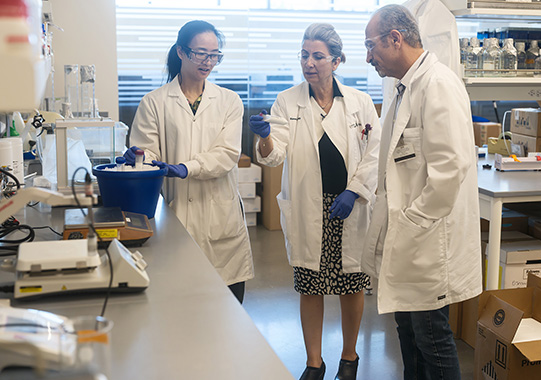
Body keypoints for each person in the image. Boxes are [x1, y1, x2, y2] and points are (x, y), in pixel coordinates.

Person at [249, 23, 380, 380]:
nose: (309, 62)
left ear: (336, 61)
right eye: (304, 55)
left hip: (349, 206)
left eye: (318, 56)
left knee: (351, 282)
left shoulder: (359, 102)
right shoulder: (288, 101)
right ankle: (313, 362)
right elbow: (275, 157)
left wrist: (354, 192)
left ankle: (349, 359)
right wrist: (265, 139)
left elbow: (375, 153)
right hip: (310, 207)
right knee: (311, 284)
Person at [361, 5, 482, 380]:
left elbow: (450, 169)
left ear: (395, 39)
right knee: (408, 333)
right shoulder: (404, 88)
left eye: (371, 46)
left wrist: (413, 221)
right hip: (408, 239)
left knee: (431, 338)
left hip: (428, 240)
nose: (367, 57)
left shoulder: (438, 85)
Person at [126, 20, 253, 303]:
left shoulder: (230, 101)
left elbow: (227, 154)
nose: (208, 61)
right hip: (177, 212)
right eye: (201, 53)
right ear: (181, 52)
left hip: (222, 218)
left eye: (214, 55)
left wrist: (186, 168)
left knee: (228, 311)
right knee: (179, 308)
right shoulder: (154, 102)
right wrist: (140, 158)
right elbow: (146, 152)